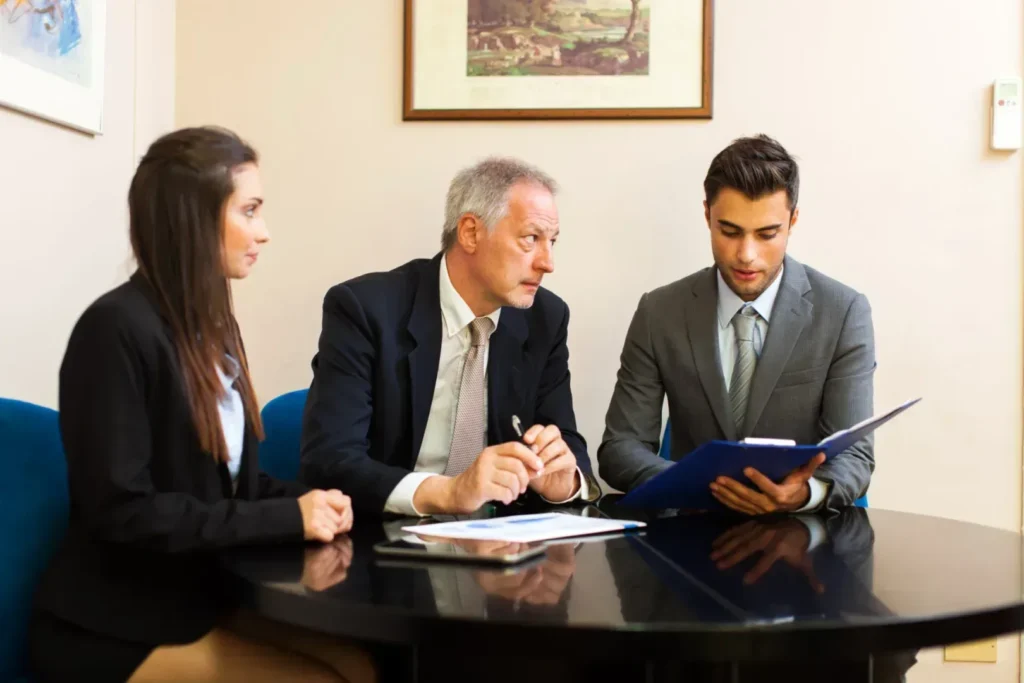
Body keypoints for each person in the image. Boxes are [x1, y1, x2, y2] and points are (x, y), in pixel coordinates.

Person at [28, 127, 375, 683]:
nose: (264, 232)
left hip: (191, 602)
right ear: (194, 216)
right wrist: (288, 516)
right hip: (109, 627)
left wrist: (318, 503)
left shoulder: (212, 328)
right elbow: (125, 512)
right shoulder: (114, 329)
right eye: (250, 211)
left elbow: (229, 488)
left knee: (363, 666)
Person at [301, 157, 600, 516]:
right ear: (471, 233)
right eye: (531, 239)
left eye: (552, 241)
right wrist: (447, 492)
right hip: (386, 541)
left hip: (501, 550)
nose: (547, 262)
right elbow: (330, 461)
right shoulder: (366, 310)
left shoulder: (545, 318)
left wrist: (562, 484)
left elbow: (566, 442)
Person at [599, 134, 875, 514]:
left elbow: (856, 455)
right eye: (729, 232)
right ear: (707, 215)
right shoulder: (659, 311)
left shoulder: (843, 312)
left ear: (793, 220)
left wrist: (804, 493)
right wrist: (695, 488)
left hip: (805, 539)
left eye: (767, 234)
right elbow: (620, 448)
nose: (746, 255)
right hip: (691, 535)